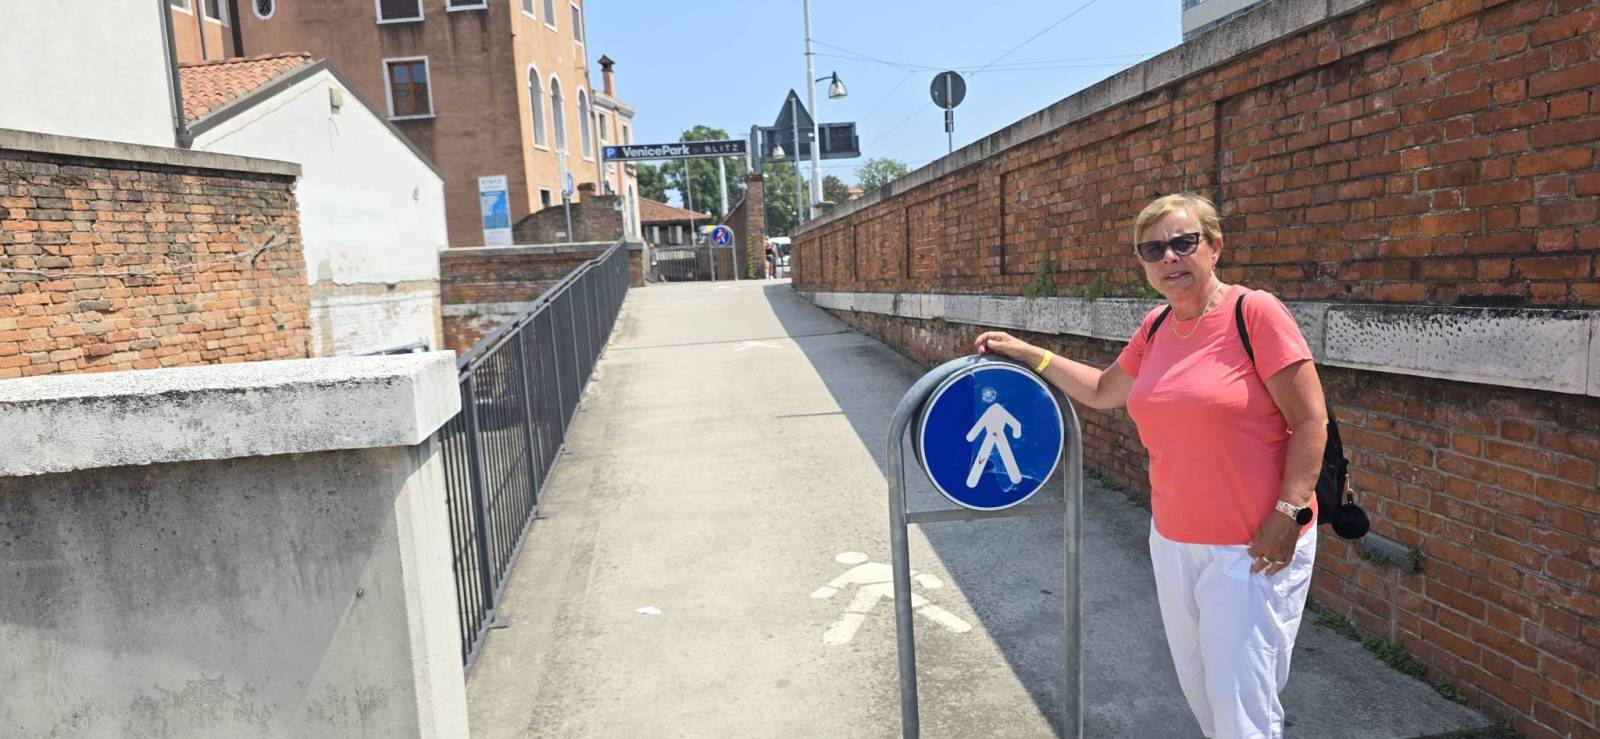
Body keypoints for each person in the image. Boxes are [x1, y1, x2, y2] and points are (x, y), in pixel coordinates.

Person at [975, 193, 1327, 739]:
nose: (1170, 258)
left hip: (1251, 548)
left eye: (1184, 242)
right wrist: (1029, 353)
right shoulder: (1157, 325)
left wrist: (1288, 514)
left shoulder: (1253, 312)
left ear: (1214, 247)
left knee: (1241, 710)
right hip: (1174, 541)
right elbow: (1103, 390)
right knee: (1202, 690)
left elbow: (1310, 420)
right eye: (1153, 249)